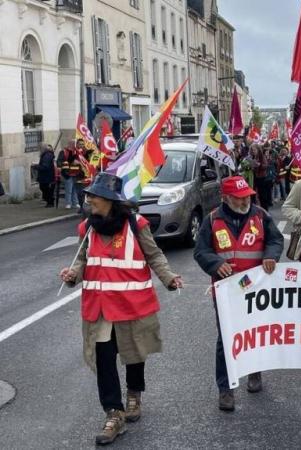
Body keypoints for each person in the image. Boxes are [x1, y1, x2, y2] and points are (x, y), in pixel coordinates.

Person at [58, 172, 183, 445]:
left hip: (131, 305)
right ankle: (114, 413)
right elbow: (82, 259)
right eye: (88, 195)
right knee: (104, 360)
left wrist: (169, 278)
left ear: (109, 201)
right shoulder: (87, 228)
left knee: (134, 354)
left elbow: (154, 255)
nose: (88, 199)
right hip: (99, 308)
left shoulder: (136, 225)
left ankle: (134, 394)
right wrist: (72, 274)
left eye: (93, 196)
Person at [193, 176, 284, 412]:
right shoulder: (212, 220)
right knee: (226, 339)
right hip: (226, 291)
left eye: (247, 197)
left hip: (256, 289)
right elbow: (201, 251)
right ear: (226, 198)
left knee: (254, 333)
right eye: (240, 198)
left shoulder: (261, 216)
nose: (245, 201)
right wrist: (214, 264)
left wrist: (271, 255)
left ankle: (254, 373)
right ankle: (226, 389)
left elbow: (275, 240)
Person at [56, 141, 82, 208]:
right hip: (67, 173)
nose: (73, 145)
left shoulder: (76, 152)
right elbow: (59, 160)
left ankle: (75, 202)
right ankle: (68, 203)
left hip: (75, 172)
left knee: (75, 189)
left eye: (74, 144)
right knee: (69, 189)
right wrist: (59, 166)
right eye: (72, 144)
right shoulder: (63, 152)